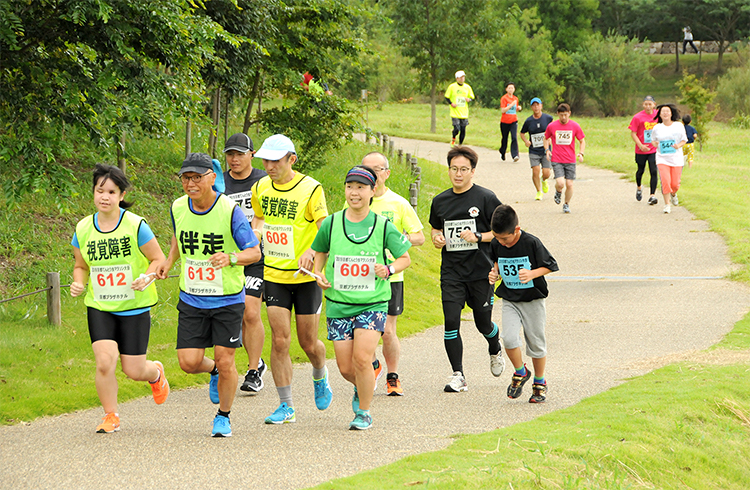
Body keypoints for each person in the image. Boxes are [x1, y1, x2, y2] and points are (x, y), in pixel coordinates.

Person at [156, 152, 261, 437]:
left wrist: (232, 257)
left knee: (228, 360)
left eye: (197, 177)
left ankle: (223, 416)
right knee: (188, 363)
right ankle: (212, 370)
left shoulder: (229, 210)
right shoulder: (178, 207)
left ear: (212, 177)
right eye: (186, 178)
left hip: (227, 298)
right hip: (192, 296)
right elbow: (179, 237)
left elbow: (254, 252)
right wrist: (168, 261)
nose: (191, 183)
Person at [70, 164, 169, 434]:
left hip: (133, 306)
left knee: (134, 370)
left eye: (111, 192)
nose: (105, 196)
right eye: (100, 190)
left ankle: (156, 373)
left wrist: (147, 277)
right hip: (100, 306)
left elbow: (157, 259)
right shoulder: (82, 228)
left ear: (122, 195)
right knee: (104, 362)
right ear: (93, 193)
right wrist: (79, 282)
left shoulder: (135, 225)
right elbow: (81, 266)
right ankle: (110, 415)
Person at [312, 166, 412, 430]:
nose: (354, 192)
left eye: (360, 187)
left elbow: (405, 257)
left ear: (372, 191)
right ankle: (362, 385)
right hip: (338, 303)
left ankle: (364, 412)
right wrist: (317, 273)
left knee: (361, 359)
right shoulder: (332, 222)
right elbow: (319, 250)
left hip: (373, 303)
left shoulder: (382, 226)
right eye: (349, 186)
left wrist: (389, 269)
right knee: (346, 368)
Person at [250, 134, 332, 425]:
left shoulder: (311, 189)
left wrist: (311, 250)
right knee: (280, 340)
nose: (269, 166)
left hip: (305, 276)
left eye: (275, 160)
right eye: (265, 160)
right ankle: (286, 405)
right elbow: (259, 218)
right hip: (274, 274)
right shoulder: (259, 186)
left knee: (308, 343)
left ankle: (320, 373)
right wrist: (255, 234)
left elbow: (326, 229)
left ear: (291, 160)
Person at [429, 146, 505, 393]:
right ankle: (458, 374)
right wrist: (437, 237)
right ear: (448, 170)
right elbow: (435, 228)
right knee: (450, 321)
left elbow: (503, 231)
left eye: (463, 169)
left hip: (480, 271)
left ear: (473, 171)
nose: (458, 174)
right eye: (454, 169)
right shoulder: (440, 201)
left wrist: (478, 236)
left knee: (483, 324)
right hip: (452, 272)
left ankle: (495, 345)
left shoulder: (485, 198)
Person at [358, 152, 425, 395]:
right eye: (366, 169)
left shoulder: (398, 203)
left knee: (387, 330)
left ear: (386, 173)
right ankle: (373, 364)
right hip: (360, 276)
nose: (372, 174)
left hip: (391, 275)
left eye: (377, 169)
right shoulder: (355, 200)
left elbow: (419, 236)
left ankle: (392, 376)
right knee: (364, 329)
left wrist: (400, 240)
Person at [487, 204, 558, 403]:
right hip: (510, 299)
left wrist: (532, 274)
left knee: (536, 343)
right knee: (509, 339)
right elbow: (496, 261)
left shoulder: (531, 243)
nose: (501, 242)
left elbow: (550, 265)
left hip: (532, 300)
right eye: (497, 238)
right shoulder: (496, 243)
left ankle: (540, 381)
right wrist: (495, 273)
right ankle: (521, 371)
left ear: (516, 230)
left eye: (504, 239)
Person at [223, 133, 268, 393]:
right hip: (228, 258)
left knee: (251, 311)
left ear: (252, 154)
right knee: (237, 312)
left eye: (240, 154)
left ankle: (253, 371)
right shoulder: (219, 182)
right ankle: (258, 360)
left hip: (257, 256)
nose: (235, 159)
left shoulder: (262, 181)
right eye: (230, 154)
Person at [544, 103, 586, 214]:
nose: (563, 117)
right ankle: (558, 191)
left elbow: (582, 140)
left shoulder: (575, 126)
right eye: (561, 115)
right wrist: (547, 150)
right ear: (558, 114)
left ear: (569, 114)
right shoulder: (552, 126)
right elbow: (546, 138)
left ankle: (566, 204)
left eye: (565, 115)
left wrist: (581, 153)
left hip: (570, 159)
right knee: (561, 183)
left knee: (570, 184)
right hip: (557, 159)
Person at [651, 104, 688, 214]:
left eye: (667, 111)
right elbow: (653, 141)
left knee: (675, 184)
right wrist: (655, 144)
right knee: (665, 181)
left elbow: (684, 139)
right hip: (662, 158)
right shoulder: (657, 127)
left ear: (671, 113)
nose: (665, 113)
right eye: (663, 111)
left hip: (676, 158)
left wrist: (678, 145)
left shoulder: (678, 126)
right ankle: (667, 204)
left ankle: (673, 193)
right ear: (660, 114)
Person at [519, 97, 553, 200]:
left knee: (546, 172)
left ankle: (544, 180)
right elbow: (522, 133)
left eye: (538, 105)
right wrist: (526, 141)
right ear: (531, 107)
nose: (536, 107)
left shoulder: (548, 118)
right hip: (534, 150)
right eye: (534, 105)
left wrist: (551, 138)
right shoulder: (529, 121)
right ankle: (539, 191)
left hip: (545, 149)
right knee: (535, 170)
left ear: (541, 105)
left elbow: (553, 129)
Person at [628, 95, 659, 205]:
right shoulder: (638, 117)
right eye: (646, 104)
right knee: (640, 170)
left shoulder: (658, 115)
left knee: (653, 170)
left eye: (650, 104)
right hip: (641, 149)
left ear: (654, 105)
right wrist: (641, 145)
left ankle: (652, 195)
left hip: (653, 149)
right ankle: (639, 187)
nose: (648, 106)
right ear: (643, 105)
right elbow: (633, 133)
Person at [444, 70, 475, 147]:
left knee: (463, 129)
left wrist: (469, 100)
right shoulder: (452, 87)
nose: (462, 79)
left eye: (463, 77)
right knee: (457, 128)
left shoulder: (467, 87)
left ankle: (460, 145)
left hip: (464, 112)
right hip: (455, 112)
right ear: (457, 78)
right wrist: (451, 103)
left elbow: (472, 97)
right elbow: (446, 97)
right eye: (461, 77)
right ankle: (453, 138)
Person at [499, 82, 522, 162]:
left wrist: (518, 108)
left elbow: (514, 110)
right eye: (509, 88)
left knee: (514, 137)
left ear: (514, 89)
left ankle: (515, 155)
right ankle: (502, 151)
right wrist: (511, 105)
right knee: (505, 138)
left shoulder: (516, 99)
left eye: (512, 88)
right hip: (504, 121)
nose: (511, 89)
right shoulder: (504, 98)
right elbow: (503, 110)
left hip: (513, 121)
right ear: (506, 89)